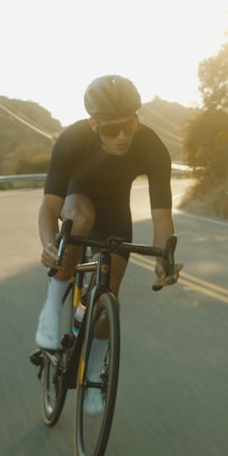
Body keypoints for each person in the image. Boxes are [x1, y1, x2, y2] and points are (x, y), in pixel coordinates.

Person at [34, 76, 182, 411]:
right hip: (79, 199)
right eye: (111, 129)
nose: (122, 136)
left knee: (109, 297)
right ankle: (51, 308)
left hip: (116, 211)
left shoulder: (151, 145)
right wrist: (48, 244)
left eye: (129, 126)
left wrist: (163, 259)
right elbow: (50, 206)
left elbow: (162, 217)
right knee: (79, 219)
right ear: (93, 124)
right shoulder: (72, 139)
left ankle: (94, 381)